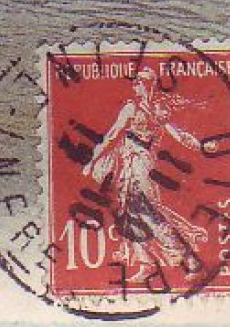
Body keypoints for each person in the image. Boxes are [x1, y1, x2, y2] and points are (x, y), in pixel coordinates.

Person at [82, 67, 211, 284]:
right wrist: (93, 160)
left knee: (149, 214)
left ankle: (191, 261)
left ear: (148, 84)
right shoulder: (132, 108)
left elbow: (176, 133)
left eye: (139, 82)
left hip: (140, 168)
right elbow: (111, 136)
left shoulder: (154, 110)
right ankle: (146, 264)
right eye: (136, 83)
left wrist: (200, 145)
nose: (135, 86)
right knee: (127, 215)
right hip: (127, 167)